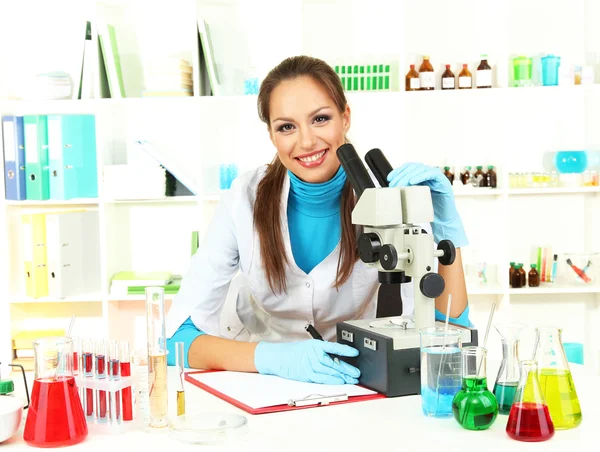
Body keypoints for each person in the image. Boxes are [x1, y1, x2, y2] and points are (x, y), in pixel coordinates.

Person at [165, 55, 471, 385]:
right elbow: (175, 342)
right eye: (286, 127)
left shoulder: (388, 195)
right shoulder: (244, 199)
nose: (307, 141)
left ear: (345, 117)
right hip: (260, 377)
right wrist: (272, 358)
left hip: (355, 376)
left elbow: (450, 328)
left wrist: (445, 229)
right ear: (271, 135)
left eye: (320, 119)